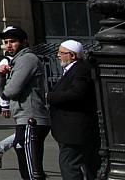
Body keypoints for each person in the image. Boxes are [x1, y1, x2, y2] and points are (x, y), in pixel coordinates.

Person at [0, 25, 50, 180]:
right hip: (23, 117)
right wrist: (0, 76)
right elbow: (4, 92)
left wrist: (5, 89)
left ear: (24, 42)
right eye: (6, 42)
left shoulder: (27, 59)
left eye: (13, 41)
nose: (8, 45)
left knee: (31, 168)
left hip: (31, 118)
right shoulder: (17, 61)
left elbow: (11, 91)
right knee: (27, 161)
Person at [48, 39, 99, 180]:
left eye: (61, 53)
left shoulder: (80, 69)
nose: (58, 56)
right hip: (69, 130)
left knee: (69, 165)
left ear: (72, 55)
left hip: (74, 131)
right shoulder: (73, 69)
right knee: (83, 165)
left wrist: (50, 96)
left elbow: (77, 94)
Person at [0, 48, 18, 168]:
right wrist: (4, 105)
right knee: (26, 131)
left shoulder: (23, 60)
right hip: (15, 103)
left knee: (28, 131)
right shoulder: (6, 62)